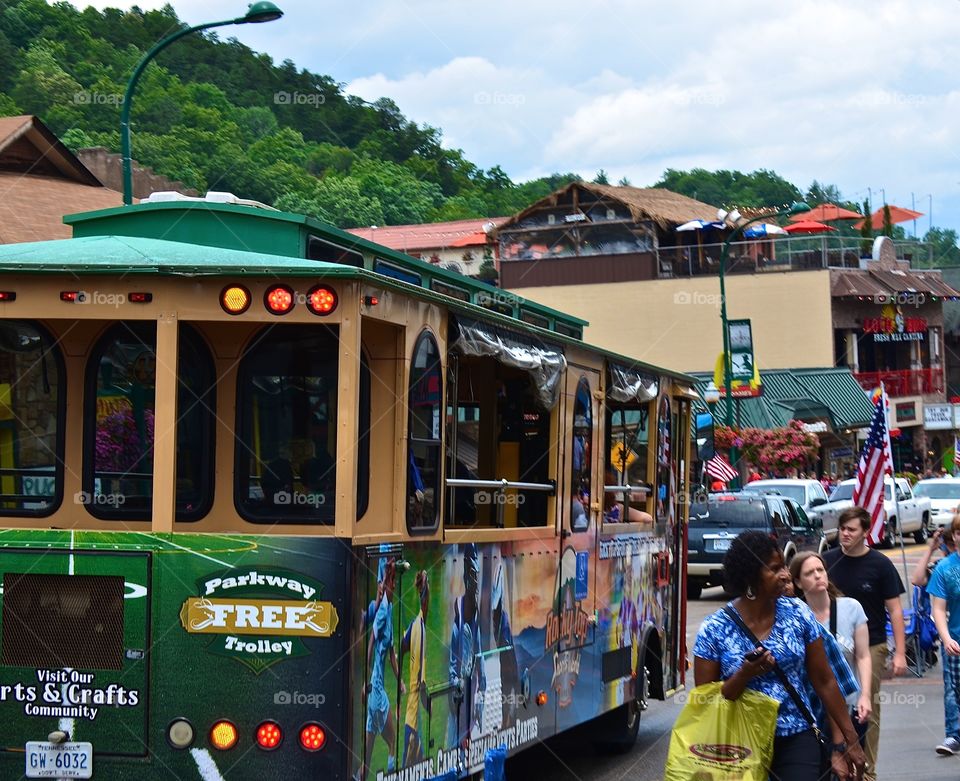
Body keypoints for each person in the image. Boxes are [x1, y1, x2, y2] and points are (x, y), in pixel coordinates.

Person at [694, 530, 866, 781]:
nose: (785, 575)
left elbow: (825, 680)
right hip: (738, 743)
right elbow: (705, 703)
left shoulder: (798, 613)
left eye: (784, 566)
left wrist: (849, 740)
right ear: (751, 577)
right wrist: (744, 674)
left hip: (797, 735)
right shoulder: (714, 629)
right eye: (775, 569)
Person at [823, 506, 906, 781]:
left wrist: (900, 653)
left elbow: (895, 610)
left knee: (866, 708)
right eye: (842, 529)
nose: (845, 534)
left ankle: (867, 771)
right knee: (830, 704)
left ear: (866, 533)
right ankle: (834, 764)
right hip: (832, 645)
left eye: (851, 530)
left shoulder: (880, 564)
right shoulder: (826, 561)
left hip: (871, 645)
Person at [790, 552, 872, 747]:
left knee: (853, 767)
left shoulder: (852, 608)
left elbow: (863, 656)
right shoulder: (794, 617)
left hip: (849, 706)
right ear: (798, 582)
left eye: (821, 570)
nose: (818, 575)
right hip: (812, 711)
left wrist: (866, 696)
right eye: (810, 573)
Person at [359, 559, 404, 781]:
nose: (394, 586)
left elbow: (392, 653)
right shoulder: (383, 610)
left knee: (367, 753)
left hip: (377, 690)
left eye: (394, 582)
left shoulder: (390, 608)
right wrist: (365, 681)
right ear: (385, 585)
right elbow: (370, 644)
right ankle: (391, 775)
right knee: (392, 740)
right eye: (391, 582)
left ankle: (359, 777)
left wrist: (399, 680)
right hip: (376, 691)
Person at [925, 519, 960, 757]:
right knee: (953, 689)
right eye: (959, 532)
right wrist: (945, 638)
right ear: (954, 536)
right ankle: (954, 735)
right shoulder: (944, 568)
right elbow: (938, 608)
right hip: (956, 639)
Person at [401, 570, 430, 765]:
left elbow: (399, 651)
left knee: (418, 758)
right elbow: (421, 683)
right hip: (414, 705)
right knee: (408, 760)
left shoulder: (414, 626)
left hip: (413, 706)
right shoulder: (418, 626)